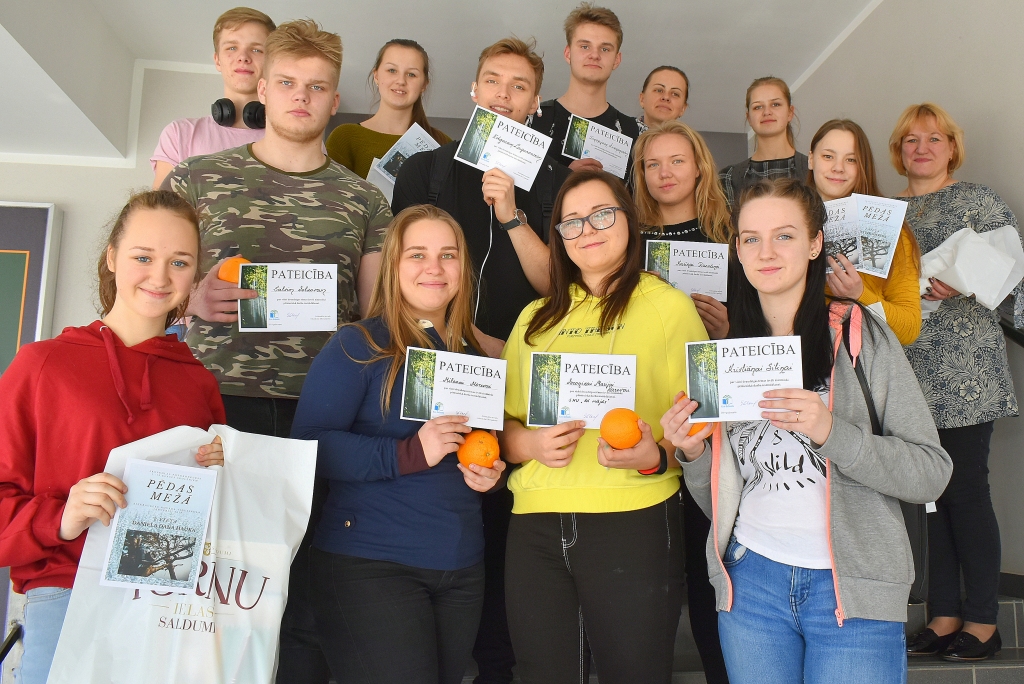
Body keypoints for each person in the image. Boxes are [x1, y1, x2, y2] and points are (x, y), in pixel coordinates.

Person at [163, 20, 392, 683]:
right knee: (197, 584)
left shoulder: (365, 200)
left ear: (333, 96)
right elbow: (143, 281)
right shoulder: (197, 179)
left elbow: (375, 319)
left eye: (317, 87)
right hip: (212, 408)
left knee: (307, 599)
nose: (301, 97)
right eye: (287, 83)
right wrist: (189, 300)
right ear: (261, 85)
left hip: (318, 418)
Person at [664, 177, 952, 684]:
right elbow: (720, 499)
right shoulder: (726, 356)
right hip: (750, 584)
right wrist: (691, 455)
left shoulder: (861, 335)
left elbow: (931, 474)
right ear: (736, 249)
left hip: (854, 591)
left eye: (785, 235)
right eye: (751, 238)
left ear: (816, 242)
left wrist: (831, 432)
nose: (766, 252)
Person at [392, 36, 569, 684]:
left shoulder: (554, 178)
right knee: (440, 505)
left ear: (536, 102)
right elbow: (404, 271)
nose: (503, 94)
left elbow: (557, 285)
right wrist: (463, 338)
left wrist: (512, 212)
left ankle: (495, 667)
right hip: (442, 366)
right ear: (473, 90)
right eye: (492, 81)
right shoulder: (427, 171)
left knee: (506, 524)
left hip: (525, 375)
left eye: (519, 86)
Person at [0, 190, 226, 684]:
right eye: (143, 257)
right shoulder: (41, 367)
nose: (160, 276)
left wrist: (224, 481)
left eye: (180, 262)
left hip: (168, 611)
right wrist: (62, 516)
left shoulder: (199, 382)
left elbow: (215, 526)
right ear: (111, 257)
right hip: (66, 599)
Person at [500, 169, 708, 684]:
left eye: (601, 214)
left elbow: (702, 420)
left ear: (629, 220)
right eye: (570, 222)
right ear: (558, 238)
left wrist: (654, 456)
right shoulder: (533, 319)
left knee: (635, 673)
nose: (586, 229)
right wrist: (529, 442)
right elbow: (499, 426)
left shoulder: (668, 308)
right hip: (536, 524)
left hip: (632, 519)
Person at [292, 204, 505, 684]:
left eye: (448, 255)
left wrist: (492, 477)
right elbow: (307, 445)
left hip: (461, 567)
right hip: (371, 564)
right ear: (393, 266)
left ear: (463, 268)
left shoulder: (474, 357)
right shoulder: (357, 344)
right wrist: (410, 451)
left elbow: (484, 451)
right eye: (418, 254)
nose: (434, 267)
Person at [892, 103, 1022, 662]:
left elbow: (1011, 273)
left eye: (934, 138)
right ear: (898, 150)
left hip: (966, 369)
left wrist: (967, 284)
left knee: (966, 493)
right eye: (910, 140)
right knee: (928, 498)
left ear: (951, 147)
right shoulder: (885, 211)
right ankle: (943, 616)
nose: (922, 148)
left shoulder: (979, 200)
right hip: (906, 371)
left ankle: (984, 623)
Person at [633, 119, 730, 683]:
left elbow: (765, 335)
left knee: (703, 557)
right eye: (652, 163)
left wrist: (727, 327)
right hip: (640, 409)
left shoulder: (730, 238)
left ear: (699, 166)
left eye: (676, 161)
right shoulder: (627, 241)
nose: (664, 173)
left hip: (704, 421)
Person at [807, 118, 922, 345]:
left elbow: (909, 329)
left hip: (860, 368)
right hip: (800, 365)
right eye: (828, 156)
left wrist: (861, 295)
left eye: (851, 159)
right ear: (811, 159)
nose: (838, 167)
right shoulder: (785, 222)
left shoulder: (891, 231)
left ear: (863, 167)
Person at [151, 7, 276, 189]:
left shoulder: (294, 137)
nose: (243, 57)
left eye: (256, 50)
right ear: (217, 60)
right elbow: (159, 212)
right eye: (232, 48)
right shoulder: (179, 134)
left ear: (272, 61)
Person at [529, 3, 640, 178]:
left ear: (616, 60)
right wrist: (564, 177)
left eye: (605, 49)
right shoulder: (531, 120)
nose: (594, 55)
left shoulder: (636, 133)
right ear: (568, 53)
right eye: (585, 46)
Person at [326, 39, 451, 179]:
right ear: (376, 75)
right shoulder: (345, 137)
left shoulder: (443, 144)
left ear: (424, 84)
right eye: (392, 70)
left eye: (411, 74)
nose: (401, 81)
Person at [719, 76, 807, 210]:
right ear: (749, 117)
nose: (767, 112)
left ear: (790, 112)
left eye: (775, 104)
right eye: (758, 107)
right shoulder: (728, 178)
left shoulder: (815, 170)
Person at [637, 66, 689, 133]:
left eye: (675, 94)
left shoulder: (691, 143)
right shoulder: (620, 134)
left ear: (683, 108)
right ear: (642, 99)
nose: (666, 97)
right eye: (659, 90)